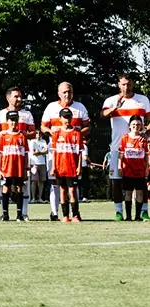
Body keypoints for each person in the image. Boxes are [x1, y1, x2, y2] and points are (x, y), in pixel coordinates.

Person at [101, 74, 150, 220]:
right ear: (118, 85)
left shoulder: (143, 100)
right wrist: (114, 108)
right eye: (123, 84)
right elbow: (102, 114)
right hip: (118, 148)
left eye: (128, 84)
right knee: (117, 181)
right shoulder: (111, 100)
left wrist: (146, 133)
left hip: (139, 148)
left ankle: (144, 211)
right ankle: (119, 212)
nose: (126, 87)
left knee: (143, 181)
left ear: (132, 84)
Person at [41, 82, 91, 221]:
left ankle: (75, 213)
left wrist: (77, 133)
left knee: (73, 183)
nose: (67, 94)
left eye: (69, 91)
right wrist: (51, 132)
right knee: (55, 183)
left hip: (73, 150)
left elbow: (88, 127)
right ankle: (55, 212)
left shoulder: (80, 107)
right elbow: (43, 126)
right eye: (64, 92)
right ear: (59, 93)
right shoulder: (51, 107)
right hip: (56, 149)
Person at [0, 87, 37, 219]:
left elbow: (33, 133)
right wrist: (2, 135)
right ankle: (4, 213)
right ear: (8, 98)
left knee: (23, 185)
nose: (19, 99)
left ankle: (23, 213)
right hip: (5, 152)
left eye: (20, 96)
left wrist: (23, 134)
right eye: (16, 96)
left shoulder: (26, 114)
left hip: (21, 151)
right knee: (4, 183)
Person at [0, 111, 30, 221]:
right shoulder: (3, 136)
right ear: (7, 121)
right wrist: (0, 170)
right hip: (6, 168)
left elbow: (26, 154)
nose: (13, 122)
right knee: (5, 189)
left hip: (18, 168)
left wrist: (26, 169)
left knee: (19, 189)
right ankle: (5, 215)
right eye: (11, 120)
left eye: (15, 120)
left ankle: (19, 215)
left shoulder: (22, 136)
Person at [51, 108, 85, 222]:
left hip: (72, 167)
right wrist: (53, 167)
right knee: (62, 190)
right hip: (60, 168)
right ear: (60, 119)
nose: (67, 119)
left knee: (72, 191)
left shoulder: (77, 133)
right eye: (65, 117)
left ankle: (75, 214)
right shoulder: (56, 134)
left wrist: (79, 166)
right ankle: (65, 215)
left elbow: (80, 152)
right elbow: (54, 152)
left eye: (69, 117)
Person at [117, 116, 148, 221]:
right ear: (129, 126)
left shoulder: (143, 139)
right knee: (128, 192)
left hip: (140, 171)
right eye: (134, 124)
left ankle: (138, 216)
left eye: (138, 125)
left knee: (140, 192)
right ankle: (128, 216)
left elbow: (146, 156)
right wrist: (119, 166)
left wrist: (147, 168)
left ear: (141, 126)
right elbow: (121, 155)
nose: (136, 127)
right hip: (128, 170)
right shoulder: (125, 138)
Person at [29, 130, 50, 205]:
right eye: (37, 133)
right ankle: (33, 198)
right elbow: (33, 152)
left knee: (42, 181)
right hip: (34, 163)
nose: (38, 135)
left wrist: (39, 152)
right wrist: (41, 152)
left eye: (40, 133)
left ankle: (40, 198)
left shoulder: (43, 141)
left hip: (42, 163)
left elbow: (46, 151)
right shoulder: (32, 141)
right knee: (34, 181)